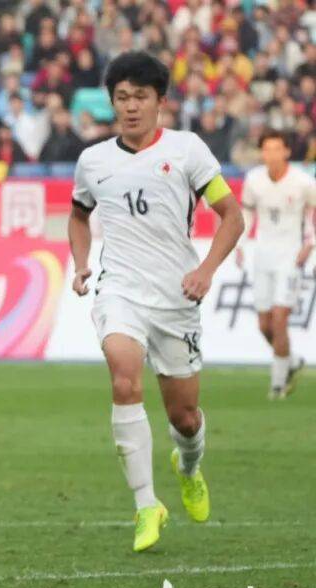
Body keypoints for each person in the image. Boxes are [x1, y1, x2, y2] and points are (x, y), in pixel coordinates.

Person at [68, 52, 244, 553]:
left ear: (160, 101)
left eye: (140, 97)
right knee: (123, 375)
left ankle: (187, 466)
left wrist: (205, 271)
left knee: (184, 418)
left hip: (176, 297)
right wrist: (80, 263)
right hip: (120, 289)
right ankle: (147, 504)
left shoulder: (188, 151)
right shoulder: (93, 161)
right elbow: (78, 216)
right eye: (122, 97)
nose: (130, 107)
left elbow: (232, 216)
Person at [237, 129, 316, 399]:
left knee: (280, 319)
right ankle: (291, 361)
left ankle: (278, 385)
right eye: (267, 149)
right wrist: (240, 243)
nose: (271, 155)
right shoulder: (253, 180)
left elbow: (313, 214)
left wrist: (310, 244)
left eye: (276, 149)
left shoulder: (303, 182)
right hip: (262, 255)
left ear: (287, 151)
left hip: (291, 256)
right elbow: (247, 213)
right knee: (265, 325)